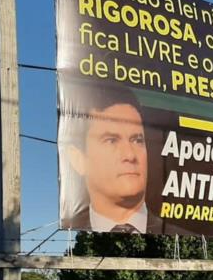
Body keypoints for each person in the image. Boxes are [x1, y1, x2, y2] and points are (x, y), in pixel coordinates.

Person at [60, 82, 163, 234]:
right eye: (111, 140)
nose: (130, 155)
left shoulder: (179, 236)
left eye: (137, 140)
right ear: (78, 159)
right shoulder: (73, 236)